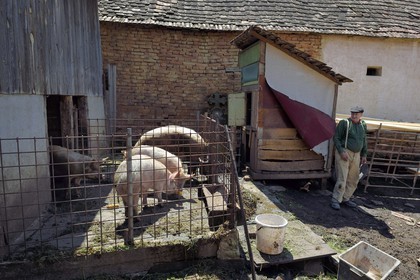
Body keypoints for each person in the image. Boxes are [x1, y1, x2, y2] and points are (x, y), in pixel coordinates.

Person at [331, 106, 367, 210]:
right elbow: (336, 137)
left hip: (357, 154)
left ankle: (346, 198)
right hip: (345, 152)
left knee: (354, 178)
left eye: (357, 114)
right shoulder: (345, 123)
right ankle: (336, 199)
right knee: (343, 177)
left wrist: (364, 154)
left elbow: (364, 140)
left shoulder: (363, 125)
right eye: (352, 113)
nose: (354, 115)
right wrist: (341, 151)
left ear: (361, 114)